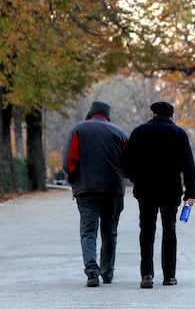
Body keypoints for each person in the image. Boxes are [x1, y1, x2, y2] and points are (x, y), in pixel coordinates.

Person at [123, 101, 195, 289]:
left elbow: (127, 162)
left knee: (147, 231)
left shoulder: (139, 132)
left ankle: (147, 274)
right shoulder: (179, 134)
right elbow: (188, 165)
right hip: (170, 189)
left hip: (146, 189)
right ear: (171, 116)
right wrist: (191, 192)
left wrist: (136, 179)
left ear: (153, 114)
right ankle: (169, 276)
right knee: (169, 230)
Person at [63, 101, 128, 287]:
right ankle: (107, 273)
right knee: (110, 232)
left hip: (87, 189)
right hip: (113, 190)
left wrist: (74, 178)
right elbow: (128, 163)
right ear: (107, 115)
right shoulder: (120, 133)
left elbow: (70, 160)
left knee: (88, 231)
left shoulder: (79, 129)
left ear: (90, 113)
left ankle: (92, 272)